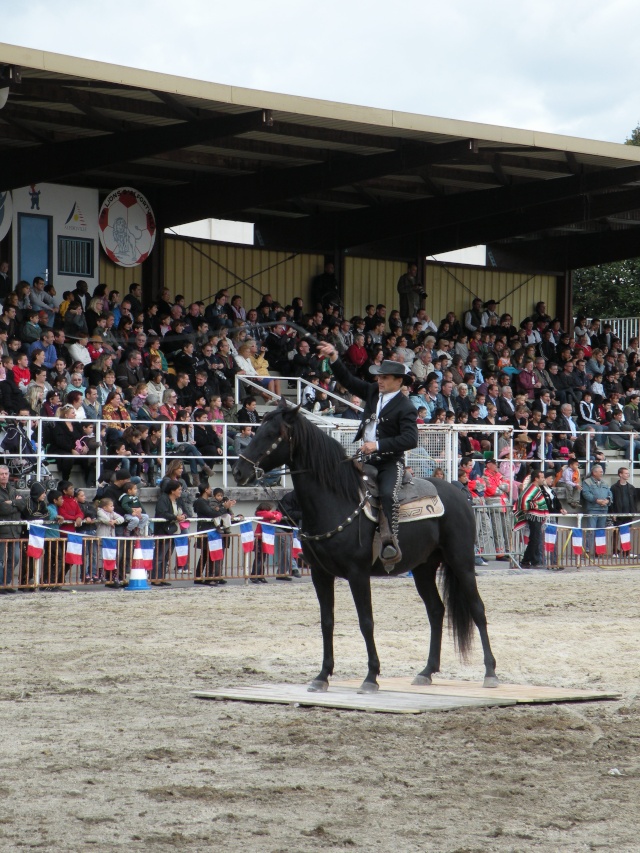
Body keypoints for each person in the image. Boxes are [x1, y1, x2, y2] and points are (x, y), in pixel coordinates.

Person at [317, 342, 418, 564]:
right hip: (365, 459)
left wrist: (378, 445)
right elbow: (348, 380)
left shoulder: (406, 407)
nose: (379, 380)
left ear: (399, 381)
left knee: (387, 493)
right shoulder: (373, 391)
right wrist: (334, 357)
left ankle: (390, 542)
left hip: (390, 462)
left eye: (385, 377)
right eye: (379, 376)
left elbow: (411, 439)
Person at [514, 469, 549, 568]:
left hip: (536, 516)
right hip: (534, 517)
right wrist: (537, 505)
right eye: (541, 477)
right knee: (535, 539)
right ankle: (534, 560)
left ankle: (526, 559)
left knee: (534, 539)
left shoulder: (536, 488)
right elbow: (524, 501)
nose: (543, 479)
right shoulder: (532, 488)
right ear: (536, 478)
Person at [0, 465, 24, 590]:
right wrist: (16, 503)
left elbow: (23, 504)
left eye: (6, 473)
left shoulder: (13, 489)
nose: (4, 476)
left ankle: (6, 582)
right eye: (1, 474)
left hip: (15, 531)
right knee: (0, 560)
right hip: (2, 531)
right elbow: (2, 509)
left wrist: (12, 503)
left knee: (14, 558)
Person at [581, 464, 613, 553]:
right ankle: (588, 550)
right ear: (594, 473)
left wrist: (607, 500)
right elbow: (586, 494)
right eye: (600, 472)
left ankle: (599, 551)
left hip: (604, 509)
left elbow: (610, 493)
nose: (602, 473)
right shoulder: (587, 482)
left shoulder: (604, 482)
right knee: (591, 530)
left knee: (601, 531)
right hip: (593, 509)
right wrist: (597, 500)